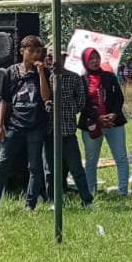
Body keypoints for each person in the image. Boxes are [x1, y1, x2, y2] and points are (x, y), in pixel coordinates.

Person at [0, 35, 51, 212]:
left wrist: (40, 73)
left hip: (35, 126)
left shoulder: (44, 72)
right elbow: (5, 101)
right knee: (2, 165)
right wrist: (0, 125)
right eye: (31, 51)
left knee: (34, 167)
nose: (35, 55)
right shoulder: (10, 72)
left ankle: (30, 205)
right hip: (15, 125)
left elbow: (46, 97)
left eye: (38, 51)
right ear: (22, 51)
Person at [43, 52, 93, 206]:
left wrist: (70, 110)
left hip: (68, 130)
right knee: (51, 170)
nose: (55, 61)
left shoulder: (74, 77)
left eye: (60, 57)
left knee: (76, 167)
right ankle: (54, 200)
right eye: (51, 57)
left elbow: (81, 100)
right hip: (50, 131)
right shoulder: (45, 77)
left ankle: (87, 200)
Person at [80, 47, 129, 197]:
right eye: (91, 59)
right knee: (91, 160)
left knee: (120, 157)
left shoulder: (109, 76)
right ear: (85, 61)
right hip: (92, 124)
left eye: (97, 57)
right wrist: (97, 117)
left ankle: (123, 191)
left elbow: (119, 97)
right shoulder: (81, 80)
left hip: (114, 123)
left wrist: (113, 114)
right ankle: (91, 192)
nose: (95, 61)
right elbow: (82, 102)